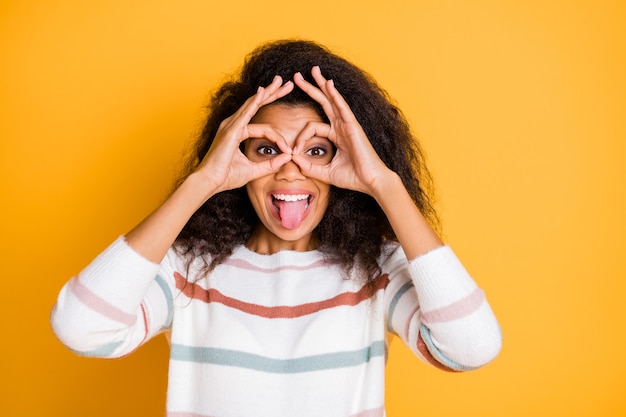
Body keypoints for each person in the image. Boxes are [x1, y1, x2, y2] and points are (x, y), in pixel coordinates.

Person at [51, 40, 501, 417]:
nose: (291, 172)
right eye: (267, 149)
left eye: (318, 151)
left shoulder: (375, 271)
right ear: (233, 154)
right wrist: (202, 182)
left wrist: (382, 182)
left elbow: (470, 349)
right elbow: (81, 326)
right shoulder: (187, 270)